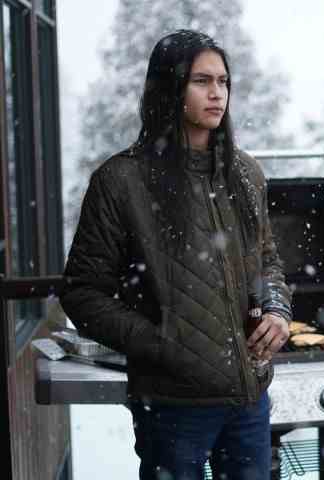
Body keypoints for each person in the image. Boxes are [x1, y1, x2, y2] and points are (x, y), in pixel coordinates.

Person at [60, 30, 292, 480]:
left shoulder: (245, 173)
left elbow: (267, 261)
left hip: (248, 398)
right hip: (172, 404)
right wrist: (162, 343)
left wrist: (278, 309)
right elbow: (82, 293)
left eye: (223, 81)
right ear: (170, 88)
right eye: (201, 80)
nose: (217, 93)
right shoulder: (121, 180)